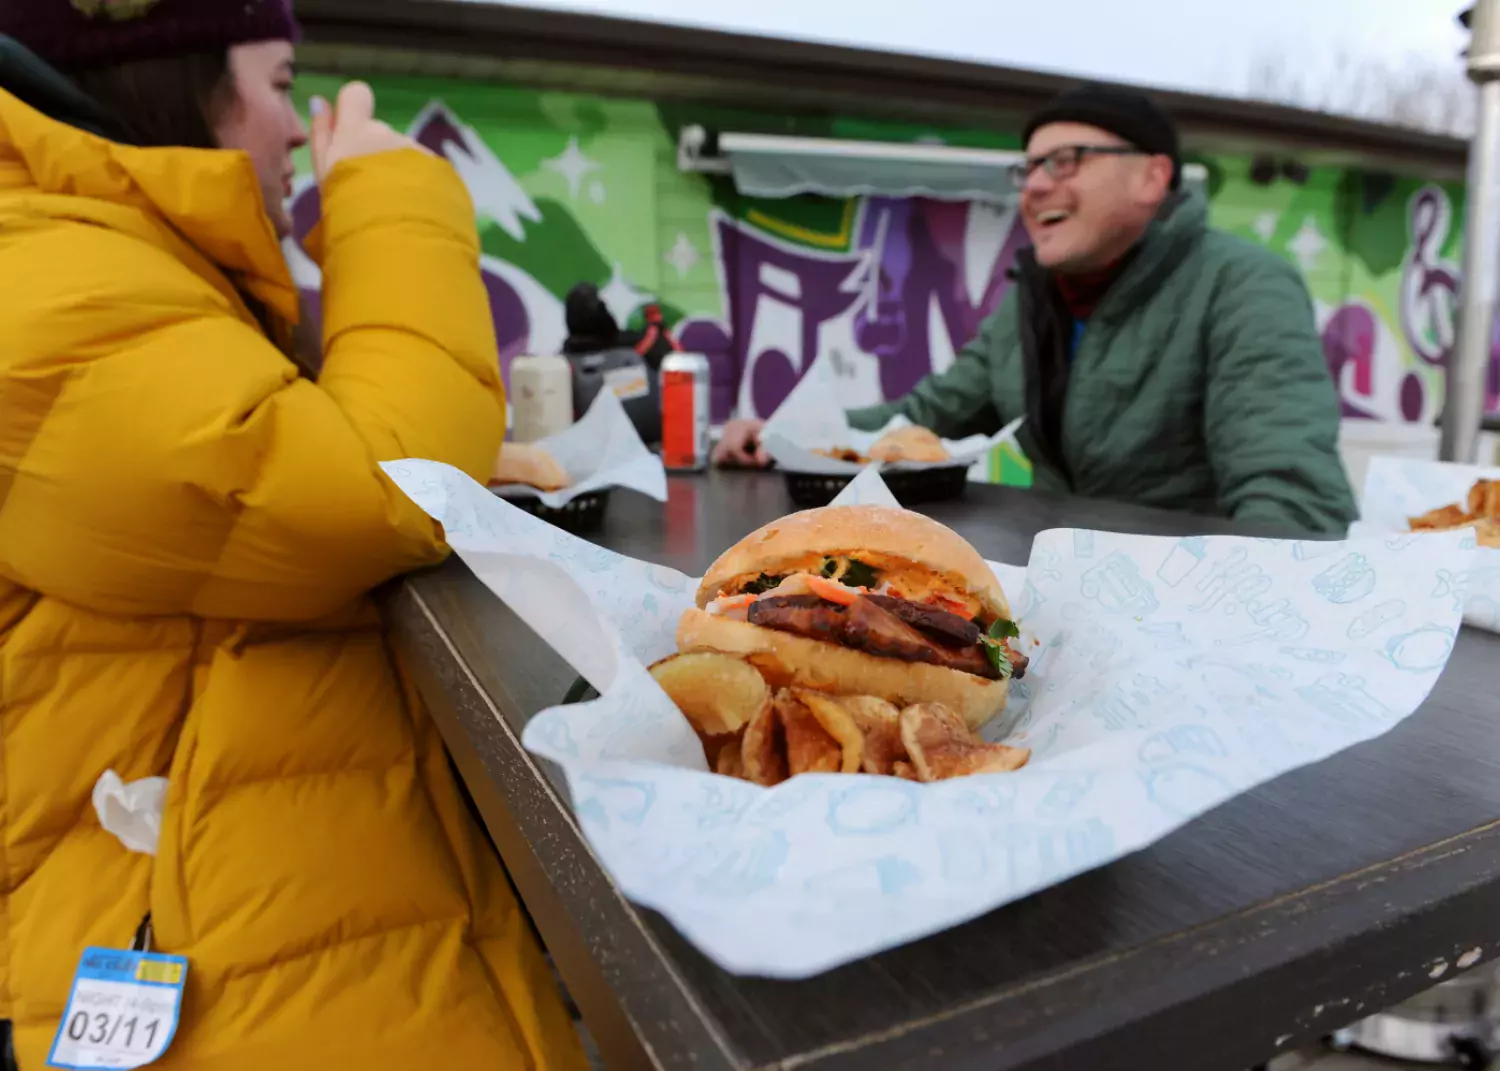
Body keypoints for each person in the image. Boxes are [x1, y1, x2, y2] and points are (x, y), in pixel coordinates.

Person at [0, 3, 585, 1069]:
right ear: (168, 76)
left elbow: (255, 464)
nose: (294, 126)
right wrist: (393, 192)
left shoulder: (91, 252)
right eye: (279, 84)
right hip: (197, 930)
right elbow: (374, 497)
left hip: (250, 863)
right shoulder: (36, 273)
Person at [716, 84, 1357, 534]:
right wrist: (785, 433)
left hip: (1189, 612)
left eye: (1066, 161)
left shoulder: (1242, 283)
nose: (1038, 186)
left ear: (1152, 178)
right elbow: (924, 419)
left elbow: (1291, 509)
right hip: (1063, 588)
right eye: (1029, 169)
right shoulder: (1030, 298)